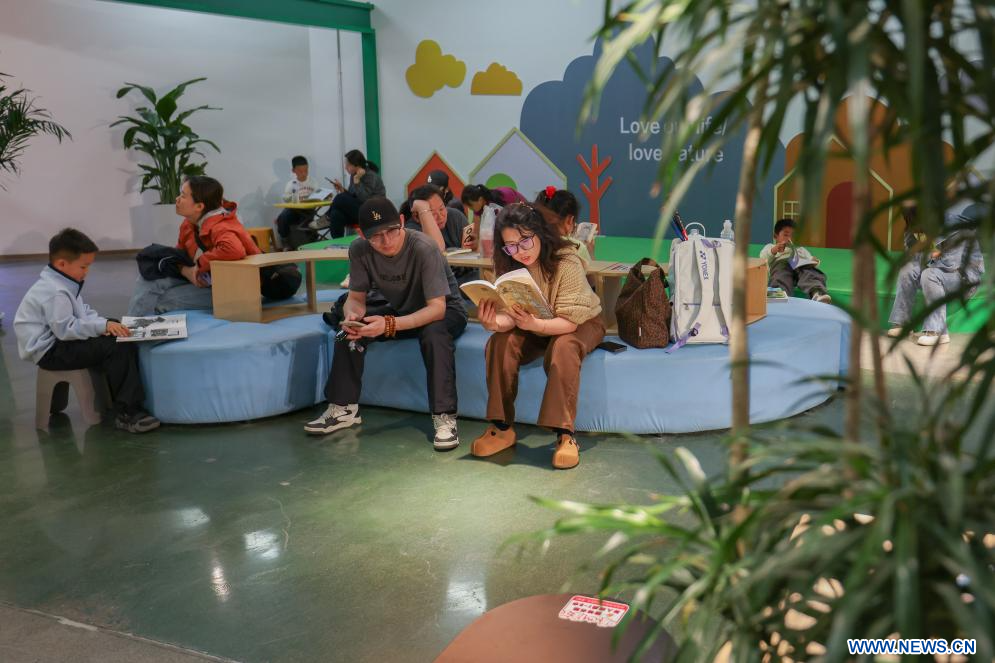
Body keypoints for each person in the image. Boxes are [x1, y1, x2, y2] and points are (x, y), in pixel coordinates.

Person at [306, 197, 468, 450]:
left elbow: (437, 309)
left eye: (392, 231)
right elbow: (355, 299)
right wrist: (352, 315)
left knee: (434, 334)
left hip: (445, 311)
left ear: (402, 221)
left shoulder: (423, 247)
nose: (386, 241)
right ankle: (343, 408)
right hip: (401, 310)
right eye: (376, 236)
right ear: (362, 234)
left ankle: (444, 416)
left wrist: (390, 325)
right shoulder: (360, 249)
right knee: (345, 332)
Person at [471, 203, 605, 470]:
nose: (520, 251)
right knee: (499, 342)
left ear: (540, 233)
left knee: (564, 346)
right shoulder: (508, 265)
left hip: (580, 322)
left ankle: (565, 434)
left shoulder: (566, 261)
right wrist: (493, 323)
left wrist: (535, 324)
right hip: (534, 324)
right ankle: (501, 428)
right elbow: (511, 317)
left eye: (525, 241)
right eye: (510, 246)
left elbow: (569, 322)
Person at [14, 228, 160, 433]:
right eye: (83, 266)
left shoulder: (64, 281)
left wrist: (106, 324)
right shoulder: (55, 291)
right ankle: (128, 412)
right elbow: (65, 329)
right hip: (50, 351)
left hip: (58, 343)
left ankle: (118, 398)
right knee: (116, 346)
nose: (87, 272)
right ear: (62, 264)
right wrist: (102, 327)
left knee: (115, 330)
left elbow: (83, 313)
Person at [128, 176, 260, 315]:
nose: (177, 199)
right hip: (205, 280)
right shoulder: (189, 223)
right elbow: (180, 256)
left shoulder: (222, 226)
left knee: (160, 301)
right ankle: (129, 326)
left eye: (183, 196)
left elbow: (233, 249)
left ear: (199, 206)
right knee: (148, 278)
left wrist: (199, 265)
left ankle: (133, 326)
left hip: (234, 289)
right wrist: (186, 270)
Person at [887, 203, 986, 346]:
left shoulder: (955, 227)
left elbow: (950, 265)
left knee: (930, 274)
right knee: (907, 270)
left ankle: (938, 332)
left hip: (964, 278)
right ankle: (903, 324)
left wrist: (930, 253)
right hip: (937, 268)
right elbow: (913, 257)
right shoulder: (918, 229)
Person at [313, 149, 386, 238]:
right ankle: (337, 242)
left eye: (347, 165)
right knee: (336, 214)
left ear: (356, 165)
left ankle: (326, 218)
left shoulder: (371, 176)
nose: (345, 167)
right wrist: (342, 189)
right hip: (360, 211)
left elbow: (364, 198)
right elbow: (353, 197)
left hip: (373, 214)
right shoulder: (354, 175)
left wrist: (357, 181)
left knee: (340, 198)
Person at [759, 218, 832, 303]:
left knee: (809, 271)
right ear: (775, 236)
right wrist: (774, 250)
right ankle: (777, 296)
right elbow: (763, 257)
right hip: (782, 267)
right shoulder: (771, 247)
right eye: (786, 235)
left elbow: (811, 260)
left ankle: (817, 293)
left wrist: (813, 260)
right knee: (780, 274)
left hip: (799, 269)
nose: (789, 238)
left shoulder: (800, 249)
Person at [534, 186, 594, 265]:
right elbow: (589, 271)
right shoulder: (577, 246)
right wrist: (589, 251)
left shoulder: (531, 242)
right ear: (570, 220)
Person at [460, 184, 527, 251]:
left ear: (480, 200)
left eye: (470, 206)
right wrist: (474, 241)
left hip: (522, 214)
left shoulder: (504, 195)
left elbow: (516, 219)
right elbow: (476, 230)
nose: (470, 209)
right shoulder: (478, 207)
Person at [275, 155, 320, 248]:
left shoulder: (313, 182)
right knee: (282, 217)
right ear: (293, 171)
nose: (303, 173)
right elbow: (286, 198)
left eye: (306, 171)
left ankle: (312, 241)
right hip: (294, 210)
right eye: (300, 171)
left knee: (306, 222)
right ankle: (285, 240)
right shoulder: (291, 184)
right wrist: (291, 198)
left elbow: (318, 194)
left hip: (308, 210)